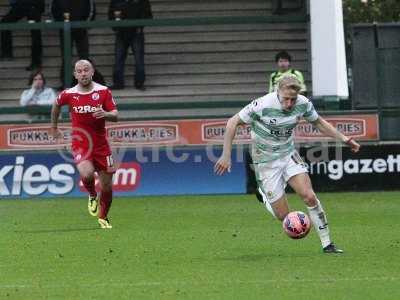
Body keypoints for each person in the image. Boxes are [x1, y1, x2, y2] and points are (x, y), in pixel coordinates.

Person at [214, 76, 360, 253]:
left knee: (309, 196)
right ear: (278, 92)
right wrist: (226, 155)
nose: (290, 104)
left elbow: (319, 123)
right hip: (265, 161)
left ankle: (327, 244)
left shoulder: (303, 104)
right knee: (284, 216)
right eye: (286, 99)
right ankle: (263, 194)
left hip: (288, 155)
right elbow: (232, 122)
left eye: (293, 99)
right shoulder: (262, 105)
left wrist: (345, 139)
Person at [51, 60, 118, 229]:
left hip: (102, 146)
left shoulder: (103, 91)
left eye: (86, 70)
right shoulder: (69, 94)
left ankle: (103, 217)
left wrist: (106, 113)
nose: (83, 73)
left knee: (107, 186)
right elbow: (56, 105)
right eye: (79, 71)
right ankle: (91, 194)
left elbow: (116, 115)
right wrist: (54, 127)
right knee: (87, 174)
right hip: (81, 143)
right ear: (75, 75)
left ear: (92, 72)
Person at [50, 0, 96, 88]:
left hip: (81, 29)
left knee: (84, 57)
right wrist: (59, 24)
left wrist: (86, 24)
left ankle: (86, 82)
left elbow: (91, 9)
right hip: (65, 30)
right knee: (66, 57)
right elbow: (53, 10)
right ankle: (65, 83)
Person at [108, 0, 153, 90]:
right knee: (118, 59)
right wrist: (115, 27)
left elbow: (148, 15)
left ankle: (139, 83)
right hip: (121, 33)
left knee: (139, 59)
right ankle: (118, 83)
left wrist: (140, 25)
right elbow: (110, 14)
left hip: (136, 33)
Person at [0, 0, 44, 70]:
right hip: (30, 4)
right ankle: (36, 62)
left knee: (35, 33)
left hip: (31, 4)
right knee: (35, 33)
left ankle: (7, 53)